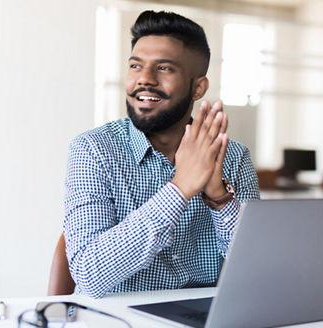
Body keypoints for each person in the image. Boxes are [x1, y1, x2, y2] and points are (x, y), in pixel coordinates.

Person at [64, 10, 260, 299]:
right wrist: (180, 188)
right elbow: (89, 274)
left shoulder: (233, 156)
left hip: (203, 315)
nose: (144, 80)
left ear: (198, 88)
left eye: (164, 68)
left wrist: (219, 196)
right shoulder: (93, 150)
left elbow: (257, 270)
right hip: (119, 317)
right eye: (135, 66)